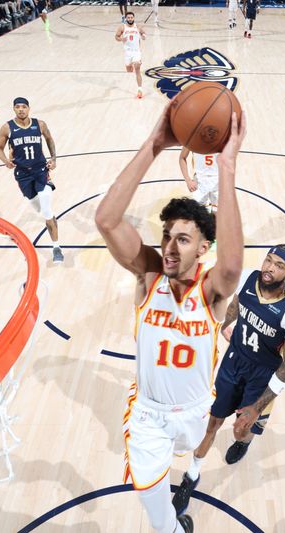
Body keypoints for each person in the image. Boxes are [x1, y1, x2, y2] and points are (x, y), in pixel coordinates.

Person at [94, 101, 246, 533]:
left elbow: (232, 268)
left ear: (203, 248)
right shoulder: (147, 275)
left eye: (183, 238)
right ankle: (175, 529)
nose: (170, 246)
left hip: (197, 410)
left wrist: (228, 166)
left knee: (194, 454)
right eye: (166, 236)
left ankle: (193, 475)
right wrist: (155, 144)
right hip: (148, 414)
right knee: (150, 500)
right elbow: (106, 220)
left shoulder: (212, 290)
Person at [171, 245, 285, 517]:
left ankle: (245, 441)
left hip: (262, 376)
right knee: (212, 422)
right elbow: (236, 304)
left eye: (278, 265)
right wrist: (226, 325)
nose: (269, 268)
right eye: (268, 260)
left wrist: (257, 407)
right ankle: (192, 475)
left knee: (240, 430)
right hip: (233, 362)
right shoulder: (249, 278)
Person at [0, 97, 63, 263]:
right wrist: (5, 160)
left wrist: (53, 158)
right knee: (39, 209)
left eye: (23, 107)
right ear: (14, 109)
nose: (21, 110)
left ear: (29, 108)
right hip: (23, 175)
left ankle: (56, 247)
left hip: (41, 171)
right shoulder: (7, 128)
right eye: (17, 107)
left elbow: (49, 139)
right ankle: (50, 216)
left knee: (46, 208)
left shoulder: (39, 124)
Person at [115, 11, 145, 99]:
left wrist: (144, 36)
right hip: (127, 53)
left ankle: (140, 90)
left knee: (137, 69)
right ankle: (131, 64)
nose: (130, 19)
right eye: (128, 18)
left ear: (134, 18)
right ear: (126, 19)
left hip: (136, 52)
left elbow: (144, 33)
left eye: (131, 17)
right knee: (129, 69)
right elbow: (116, 37)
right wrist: (121, 38)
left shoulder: (138, 26)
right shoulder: (122, 27)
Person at [179, 148, 219, 213]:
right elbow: (182, 158)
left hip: (218, 180)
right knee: (200, 216)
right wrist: (188, 180)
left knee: (217, 217)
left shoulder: (222, 138)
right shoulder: (191, 139)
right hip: (199, 180)